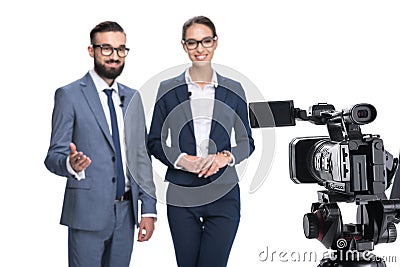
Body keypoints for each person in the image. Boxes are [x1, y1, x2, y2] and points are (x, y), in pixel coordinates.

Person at [44, 21, 157, 267]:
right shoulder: (69, 95)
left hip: (126, 214)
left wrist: (148, 209)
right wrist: (70, 164)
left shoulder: (133, 98)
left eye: (120, 49)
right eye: (106, 48)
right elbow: (53, 155)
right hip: (86, 213)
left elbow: (141, 157)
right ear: (91, 50)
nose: (114, 56)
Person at [147, 16, 255, 267]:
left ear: (215, 42)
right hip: (182, 194)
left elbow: (246, 141)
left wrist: (224, 157)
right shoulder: (167, 88)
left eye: (206, 41)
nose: (200, 48)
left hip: (224, 192)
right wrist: (181, 159)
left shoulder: (234, 88)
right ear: (184, 46)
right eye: (193, 42)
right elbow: (155, 140)